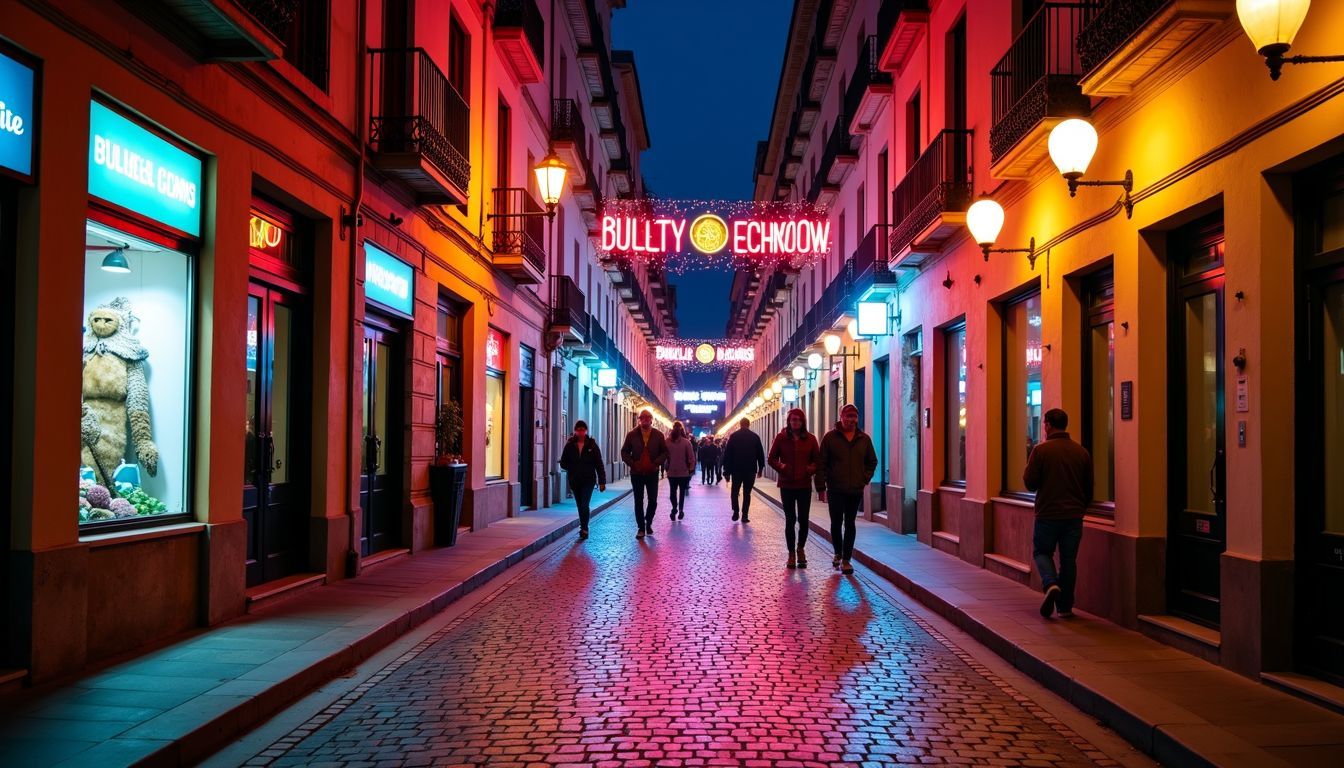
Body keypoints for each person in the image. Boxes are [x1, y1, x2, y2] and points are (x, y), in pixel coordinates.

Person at [1023, 408, 1093, 619]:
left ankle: (1050, 583)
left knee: (1042, 552)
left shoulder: (1041, 451)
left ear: (1048, 425)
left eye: (1045, 423)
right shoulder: (1081, 452)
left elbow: (1030, 483)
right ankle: (1065, 607)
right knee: (1069, 560)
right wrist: (1080, 508)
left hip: (1048, 514)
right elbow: (1089, 488)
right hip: (1073, 516)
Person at [817, 403, 877, 574]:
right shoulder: (830, 438)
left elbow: (872, 461)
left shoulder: (864, 439)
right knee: (836, 523)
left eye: (854, 416)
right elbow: (822, 463)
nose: (851, 420)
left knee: (850, 523)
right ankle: (837, 552)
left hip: (855, 490)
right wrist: (822, 485)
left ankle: (847, 559)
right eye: (848, 416)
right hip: (835, 488)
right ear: (841, 417)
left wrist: (863, 479)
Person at [768, 408, 821, 569]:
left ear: (803, 421)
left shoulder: (811, 439)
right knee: (790, 520)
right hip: (787, 485)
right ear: (789, 421)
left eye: (798, 419)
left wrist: (811, 469)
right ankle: (791, 553)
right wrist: (782, 467)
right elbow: (771, 458)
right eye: (793, 419)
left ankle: (801, 549)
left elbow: (818, 460)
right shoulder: (781, 438)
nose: (795, 422)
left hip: (804, 485)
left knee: (804, 520)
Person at [620, 409, 668, 539]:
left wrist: (655, 463)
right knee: (638, 501)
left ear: (651, 419)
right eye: (643, 417)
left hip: (652, 473)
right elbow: (624, 452)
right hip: (637, 473)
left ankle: (648, 521)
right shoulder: (632, 435)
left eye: (648, 417)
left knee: (653, 500)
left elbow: (664, 452)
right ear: (639, 419)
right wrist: (633, 464)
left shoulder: (658, 435)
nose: (645, 419)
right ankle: (641, 528)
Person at [558, 420, 606, 539]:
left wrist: (602, 481)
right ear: (575, 431)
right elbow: (563, 463)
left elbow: (599, 464)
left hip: (588, 480)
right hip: (575, 480)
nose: (580, 432)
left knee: (585, 504)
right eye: (578, 430)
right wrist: (573, 466)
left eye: (582, 430)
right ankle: (583, 526)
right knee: (580, 505)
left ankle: (584, 528)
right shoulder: (570, 445)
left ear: (586, 431)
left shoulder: (592, 445)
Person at [721, 418, 765, 523]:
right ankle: (745, 515)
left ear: (740, 425)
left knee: (735, 491)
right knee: (747, 493)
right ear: (749, 425)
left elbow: (727, 455)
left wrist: (727, 471)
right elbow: (760, 454)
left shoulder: (733, 436)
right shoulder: (755, 437)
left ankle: (735, 511)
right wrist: (760, 469)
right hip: (750, 470)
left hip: (736, 469)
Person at [664, 421, 696, 520]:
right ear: (682, 429)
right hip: (684, 472)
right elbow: (691, 457)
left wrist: (665, 466)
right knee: (682, 492)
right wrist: (691, 469)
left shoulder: (667, 442)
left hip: (672, 472)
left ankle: (674, 508)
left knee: (672, 492)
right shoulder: (686, 442)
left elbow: (664, 455)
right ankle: (681, 510)